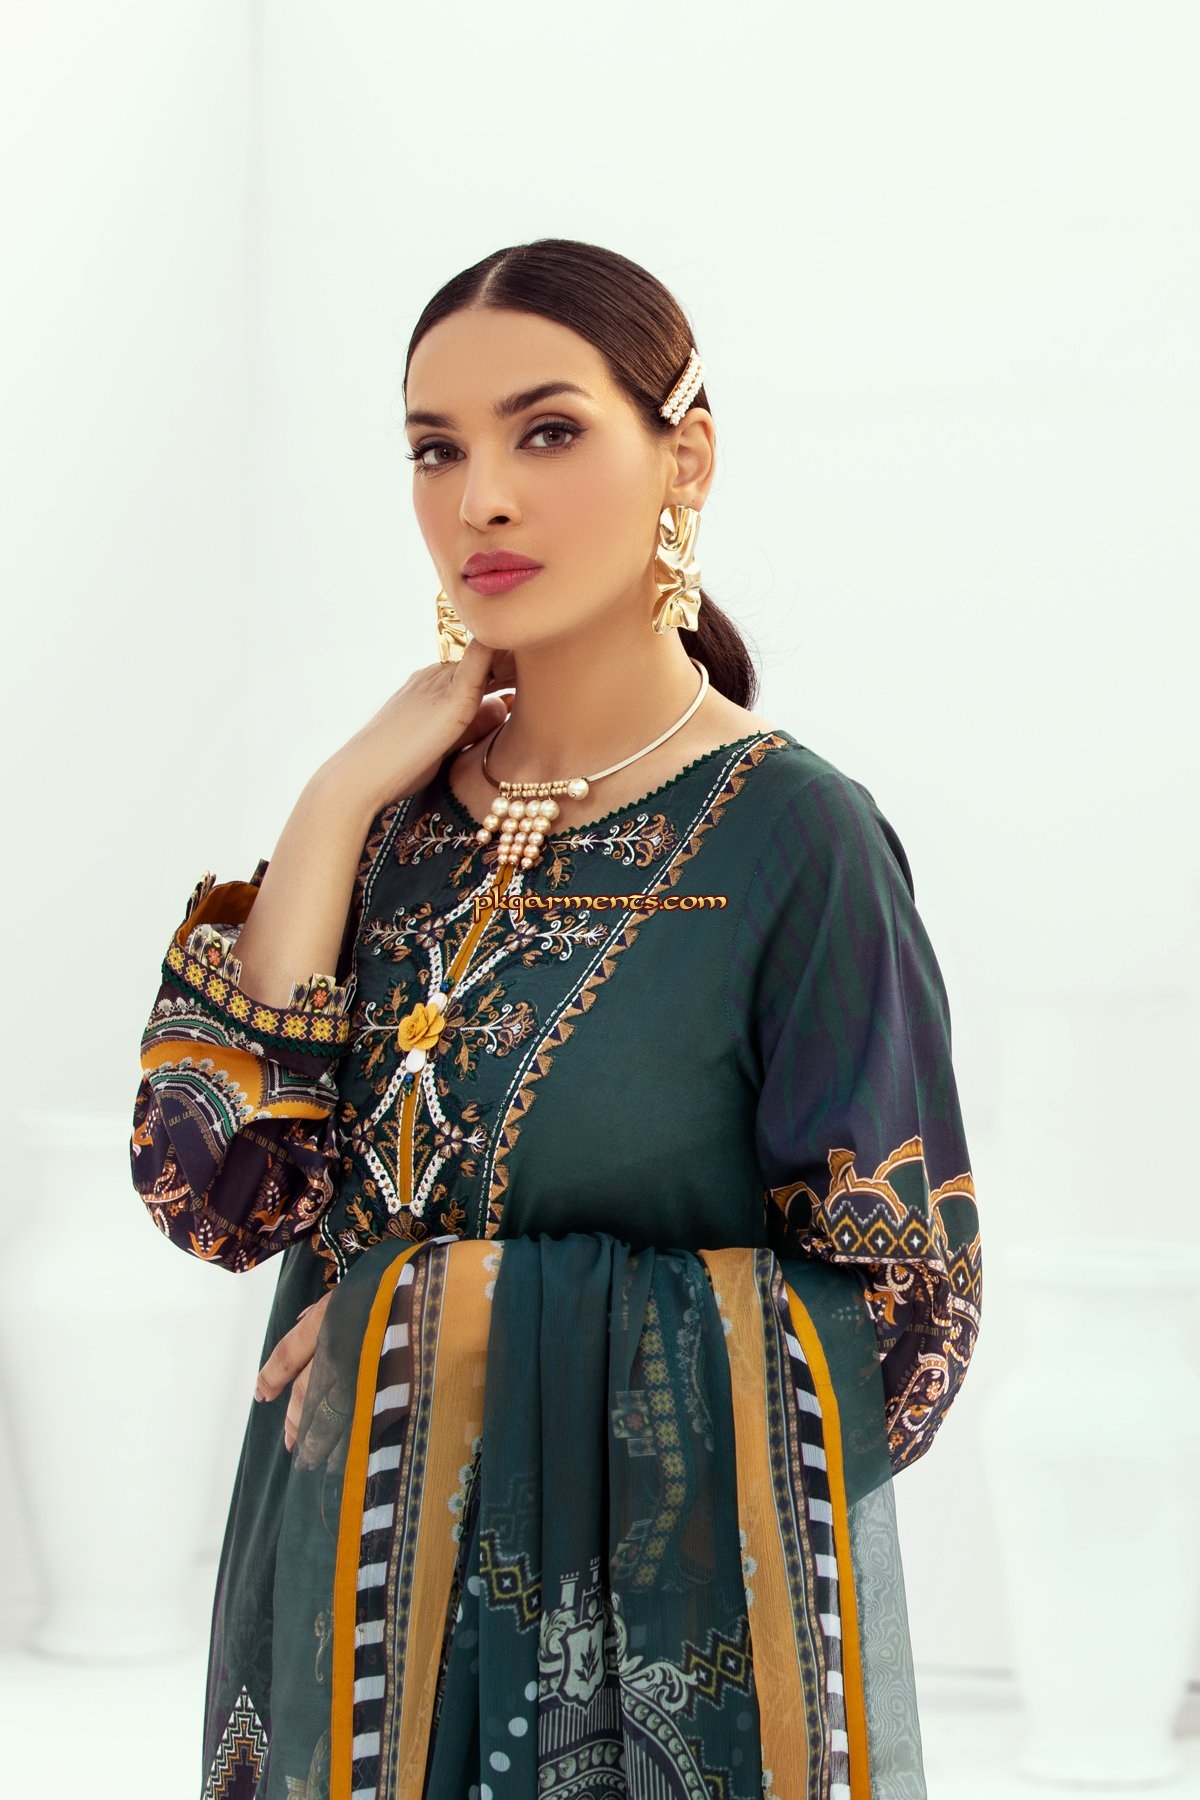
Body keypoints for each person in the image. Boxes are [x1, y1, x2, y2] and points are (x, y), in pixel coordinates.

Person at [130, 237, 982, 1800]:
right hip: (332, 1642)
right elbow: (217, 1195)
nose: (482, 500)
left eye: (547, 431)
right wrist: (330, 803)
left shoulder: (793, 844)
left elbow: (903, 1337)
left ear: (686, 458)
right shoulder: (390, 826)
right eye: (434, 449)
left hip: (634, 1689)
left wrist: (441, 1327)